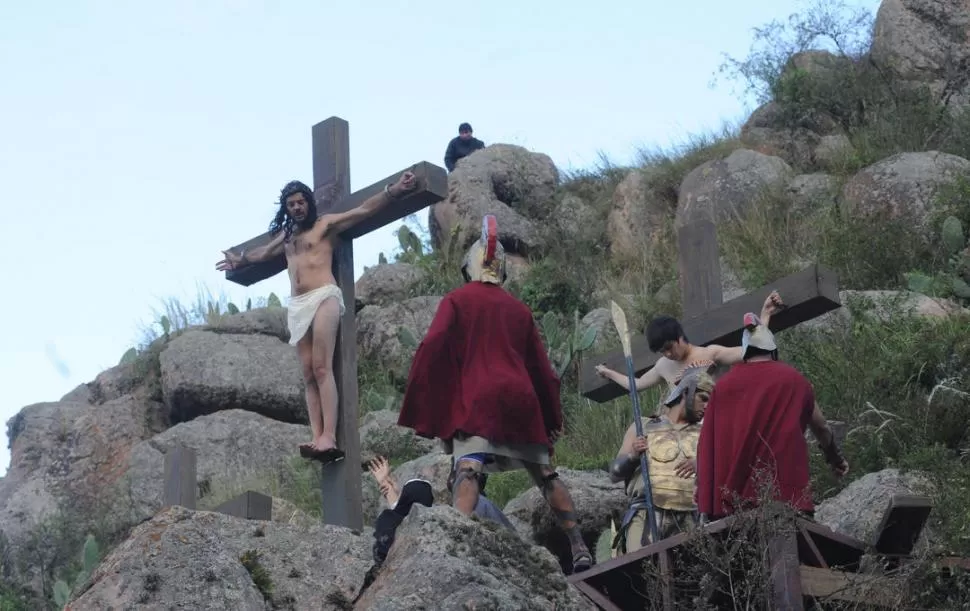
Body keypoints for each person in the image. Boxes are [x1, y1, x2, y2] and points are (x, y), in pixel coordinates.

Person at [396, 214, 593, 574]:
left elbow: (434, 344)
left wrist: (428, 394)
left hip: (479, 398)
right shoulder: (519, 310)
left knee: (468, 470)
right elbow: (543, 371)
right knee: (545, 474)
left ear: (470, 266)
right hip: (521, 401)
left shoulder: (457, 301)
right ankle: (579, 546)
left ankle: (458, 541)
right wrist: (551, 419)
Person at [215, 172, 418, 462]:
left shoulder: (324, 226)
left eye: (301, 202)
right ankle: (316, 435)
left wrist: (393, 191)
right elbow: (262, 254)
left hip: (323, 296)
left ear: (308, 203)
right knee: (308, 373)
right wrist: (242, 259)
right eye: (291, 204)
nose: (297, 208)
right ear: (286, 208)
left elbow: (362, 210)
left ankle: (329, 436)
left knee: (323, 368)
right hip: (298, 305)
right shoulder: (286, 237)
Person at [695, 314, 849, 522]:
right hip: (786, 499)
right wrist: (834, 458)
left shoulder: (723, 387)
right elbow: (821, 427)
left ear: (745, 352)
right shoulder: (796, 380)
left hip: (732, 507)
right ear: (773, 350)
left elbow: (707, 444)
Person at [594, 291, 785, 414]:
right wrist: (608, 373)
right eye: (662, 351)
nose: (667, 354)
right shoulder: (663, 366)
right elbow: (637, 385)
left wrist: (765, 315)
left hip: (718, 418)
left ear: (679, 337)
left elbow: (753, 352)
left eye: (669, 347)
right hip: (685, 432)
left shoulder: (710, 353)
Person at [608, 365, 713, 555]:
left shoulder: (705, 434)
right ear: (686, 392)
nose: (707, 406)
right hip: (646, 513)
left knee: (690, 576)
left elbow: (721, 473)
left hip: (690, 517)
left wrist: (702, 464)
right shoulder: (643, 426)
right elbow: (614, 473)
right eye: (703, 398)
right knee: (643, 570)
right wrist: (633, 455)